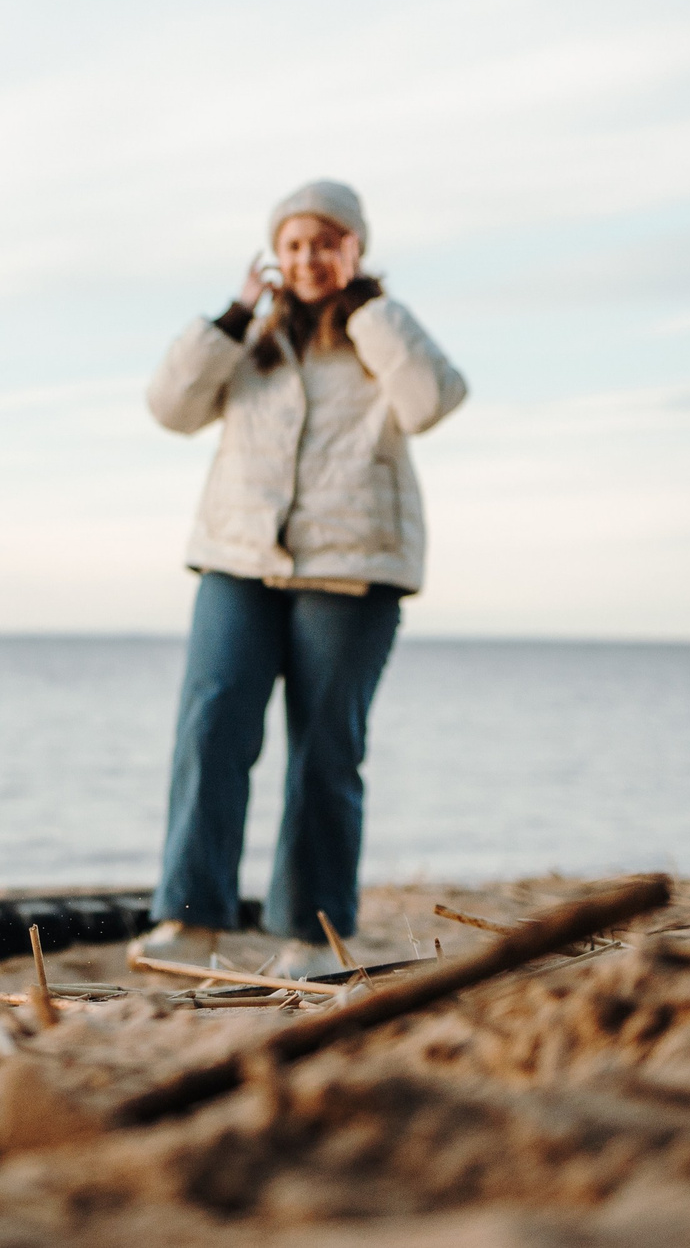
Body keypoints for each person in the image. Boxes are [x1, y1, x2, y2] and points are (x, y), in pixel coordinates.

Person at [135, 178, 467, 973]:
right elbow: (170, 408)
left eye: (326, 241)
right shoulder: (249, 339)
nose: (308, 256)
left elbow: (432, 400)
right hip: (238, 560)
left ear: (354, 249)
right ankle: (189, 922)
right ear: (274, 254)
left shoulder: (380, 330)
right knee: (211, 730)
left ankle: (312, 937)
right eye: (293, 243)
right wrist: (229, 319)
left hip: (354, 569)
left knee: (324, 749)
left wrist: (369, 314)